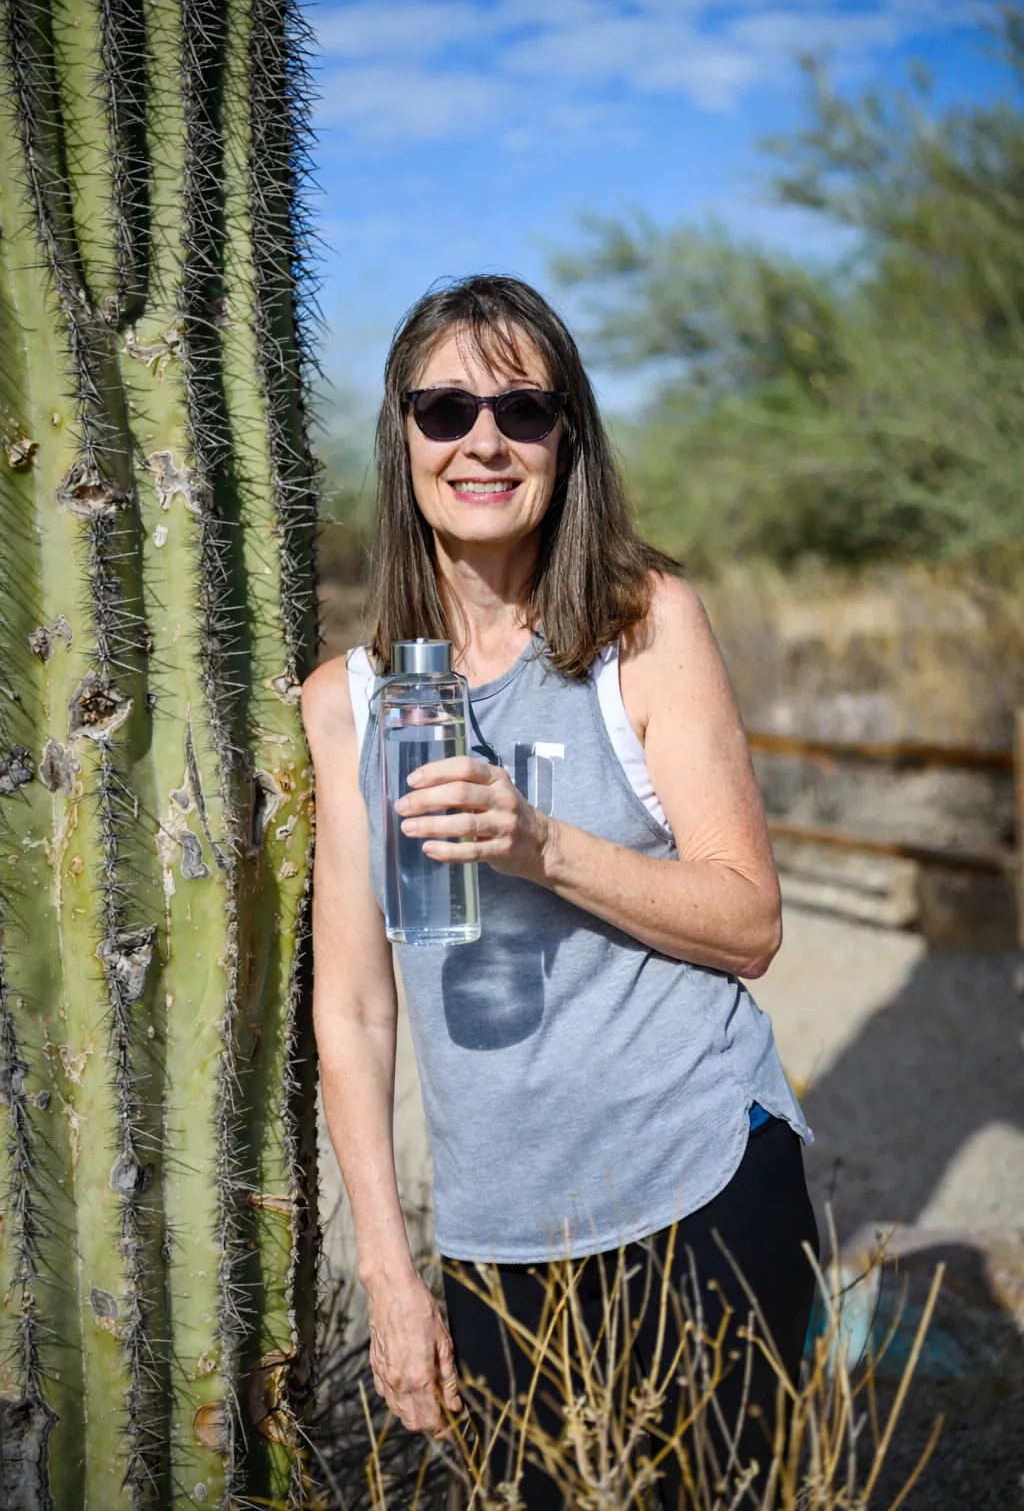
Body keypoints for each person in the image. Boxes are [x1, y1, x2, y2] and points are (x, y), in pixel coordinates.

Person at [303, 275, 819, 1508]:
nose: (483, 439)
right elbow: (357, 1011)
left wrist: (541, 843)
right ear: (402, 437)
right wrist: (390, 1271)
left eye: (523, 408)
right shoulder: (352, 702)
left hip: (698, 1183)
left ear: (564, 438)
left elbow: (749, 922)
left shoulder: (642, 627)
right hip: (494, 1241)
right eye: (445, 409)